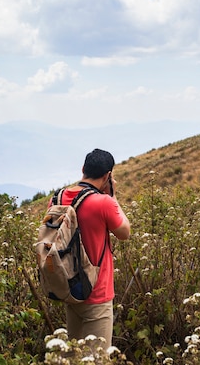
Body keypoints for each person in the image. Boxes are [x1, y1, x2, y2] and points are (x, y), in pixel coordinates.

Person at [54, 148, 131, 350]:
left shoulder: (59, 197)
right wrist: (113, 197)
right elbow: (124, 232)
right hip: (97, 294)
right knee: (97, 358)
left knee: (74, 357)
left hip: (70, 288)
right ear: (108, 176)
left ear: (83, 169)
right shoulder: (103, 202)